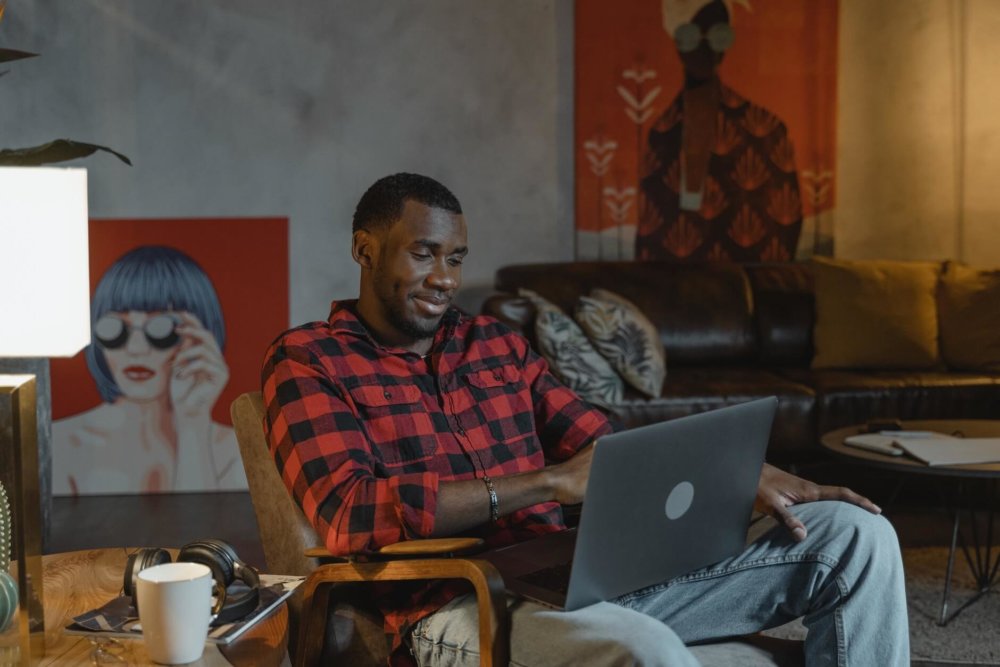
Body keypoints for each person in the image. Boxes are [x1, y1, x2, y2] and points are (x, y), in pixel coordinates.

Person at [262, 173, 909, 666]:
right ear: (365, 249)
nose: (444, 278)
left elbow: (608, 448)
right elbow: (349, 513)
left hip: (578, 578)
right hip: (457, 604)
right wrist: (544, 483)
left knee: (856, 535)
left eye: (455, 258)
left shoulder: (493, 344)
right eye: (424, 253)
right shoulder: (309, 358)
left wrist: (743, 471)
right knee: (643, 645)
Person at [53, 245, 247, 495]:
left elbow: (201, 533)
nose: (136, 349)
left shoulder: (235, 451)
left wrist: (193, 424)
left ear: (200, 337)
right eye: (115, 329)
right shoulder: (60, 443)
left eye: (161, 329)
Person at [637, 0, 804, 262]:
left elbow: (784, 231)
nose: (705, 49)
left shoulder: (766, 130)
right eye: (691, 36)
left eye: (718, 36)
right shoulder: (661, 135)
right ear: (677, 40)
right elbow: (650, 237)